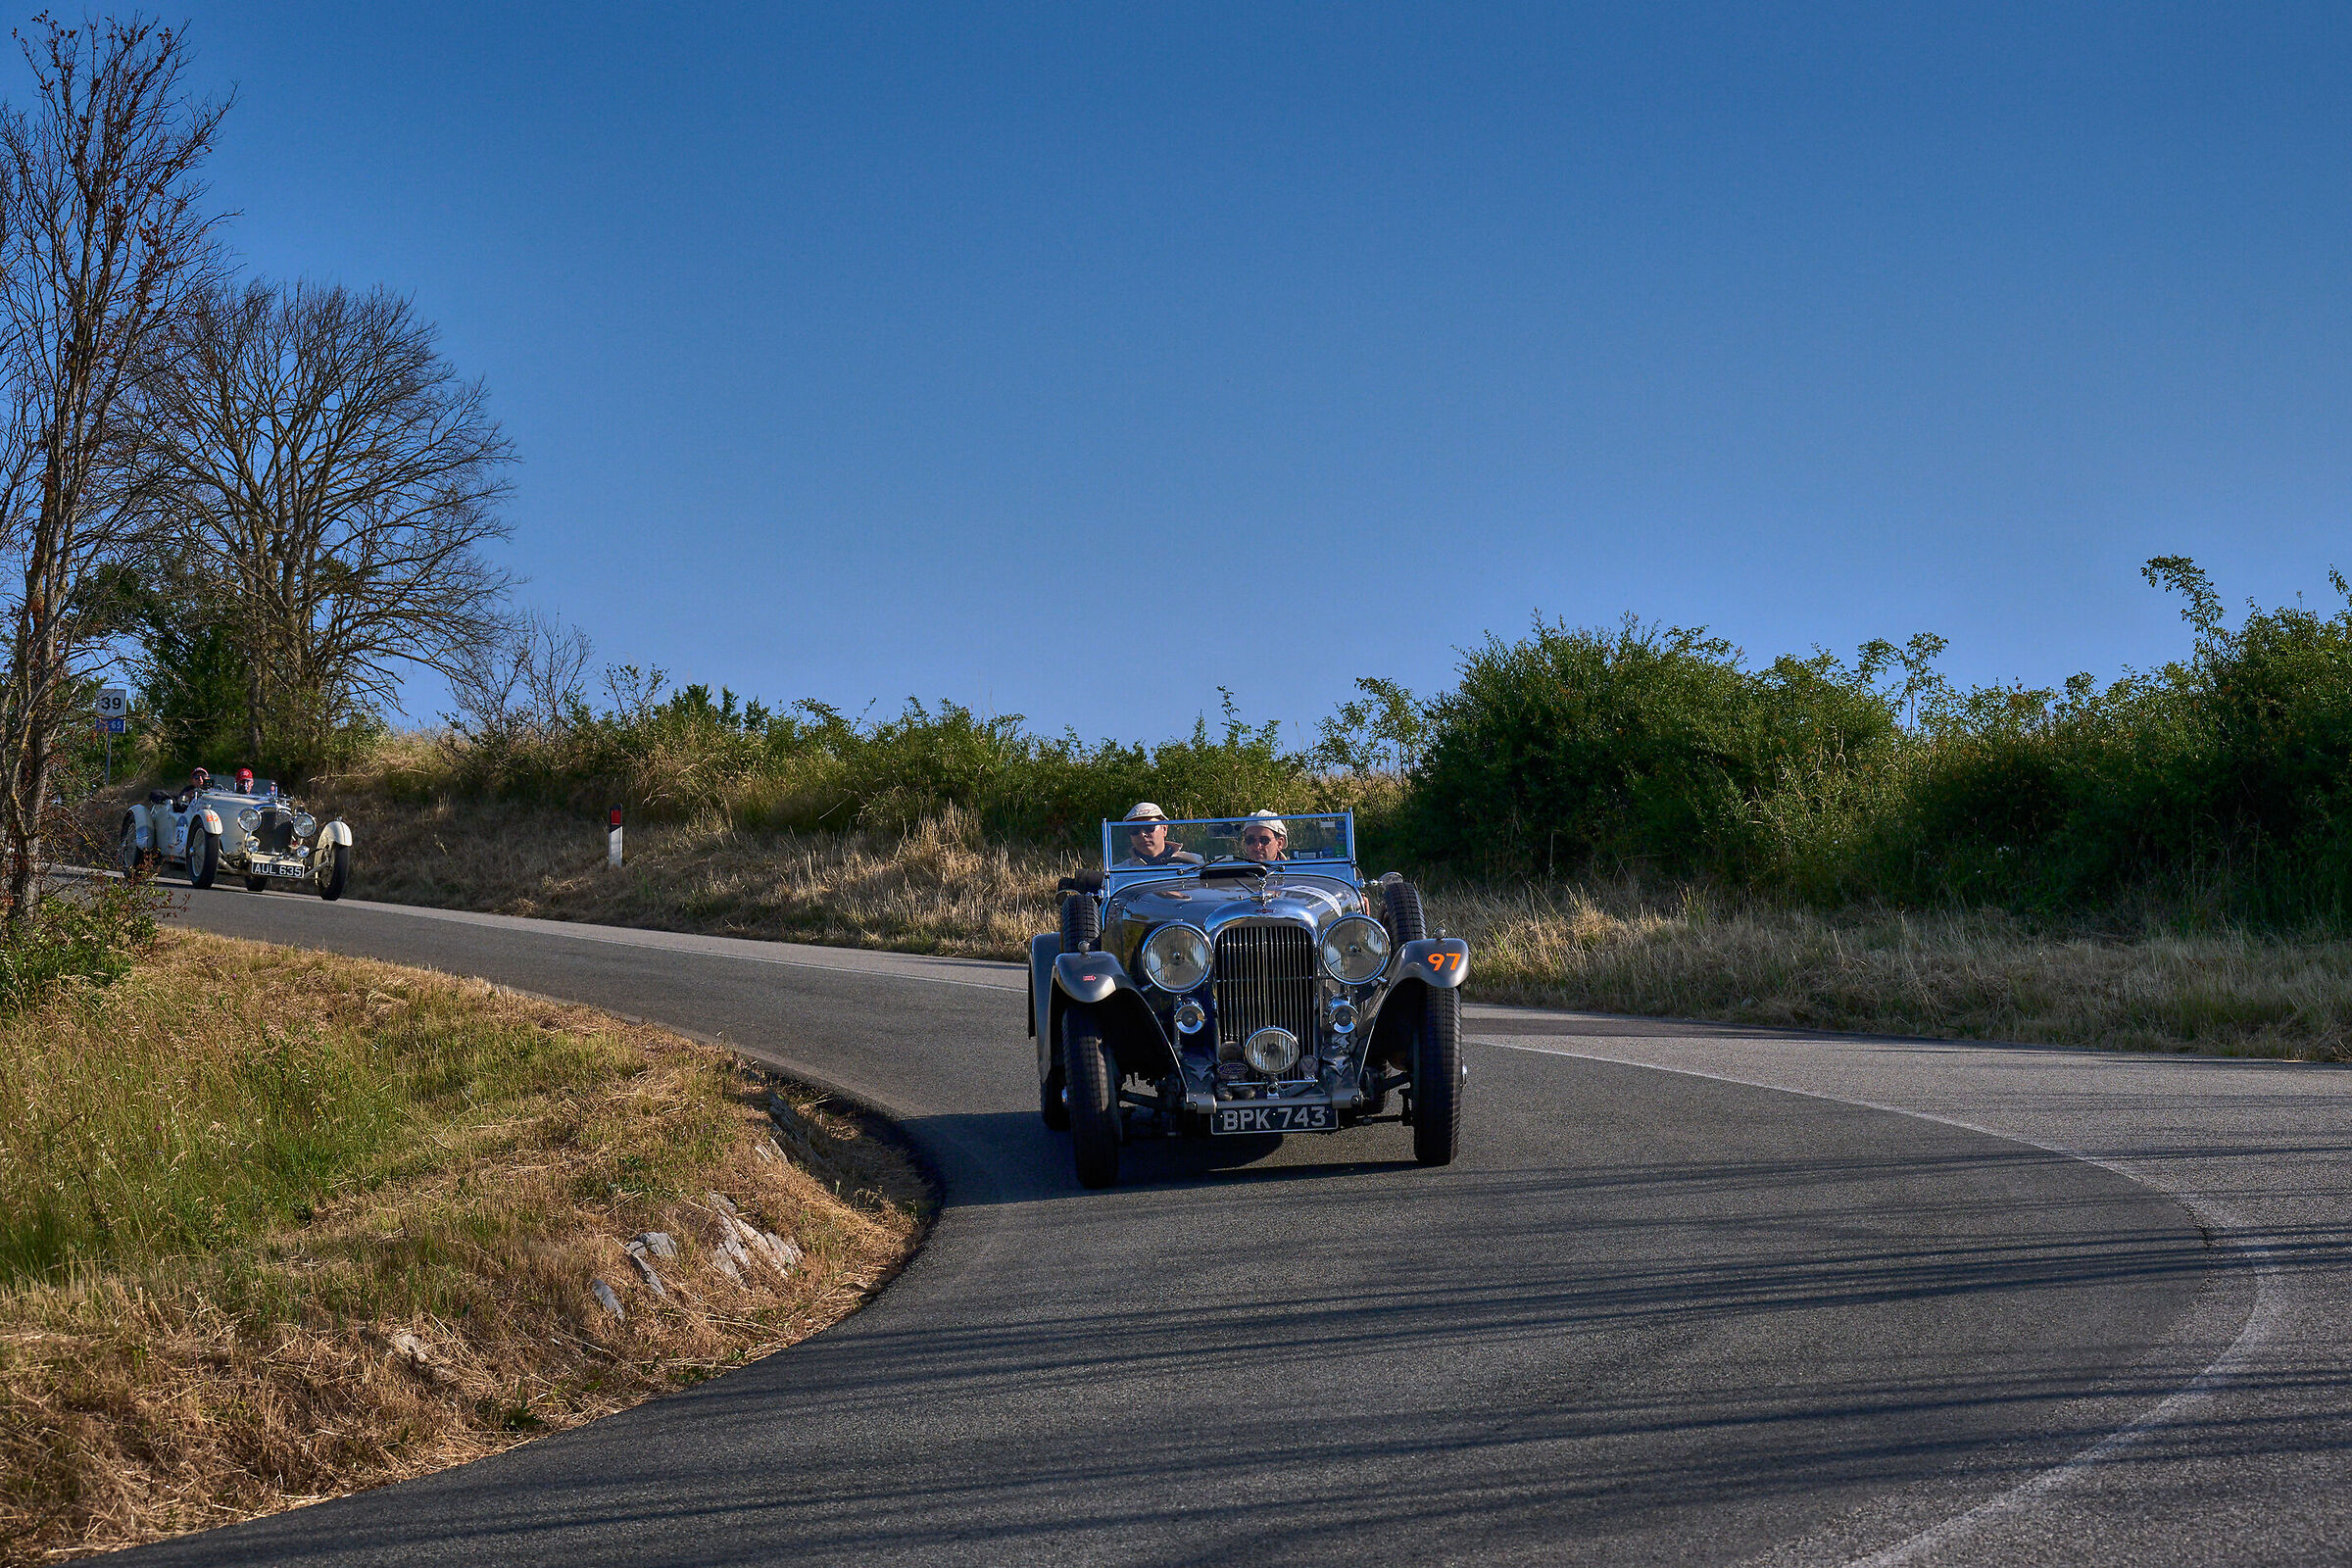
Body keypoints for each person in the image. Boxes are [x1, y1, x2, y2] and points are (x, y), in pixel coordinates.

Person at [1115, 802, 1201, 868]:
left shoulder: (1194, 862)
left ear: (1164, 829)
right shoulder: (1118, 872)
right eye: (1134, 829)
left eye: (1149, 827)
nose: (1142, 834)